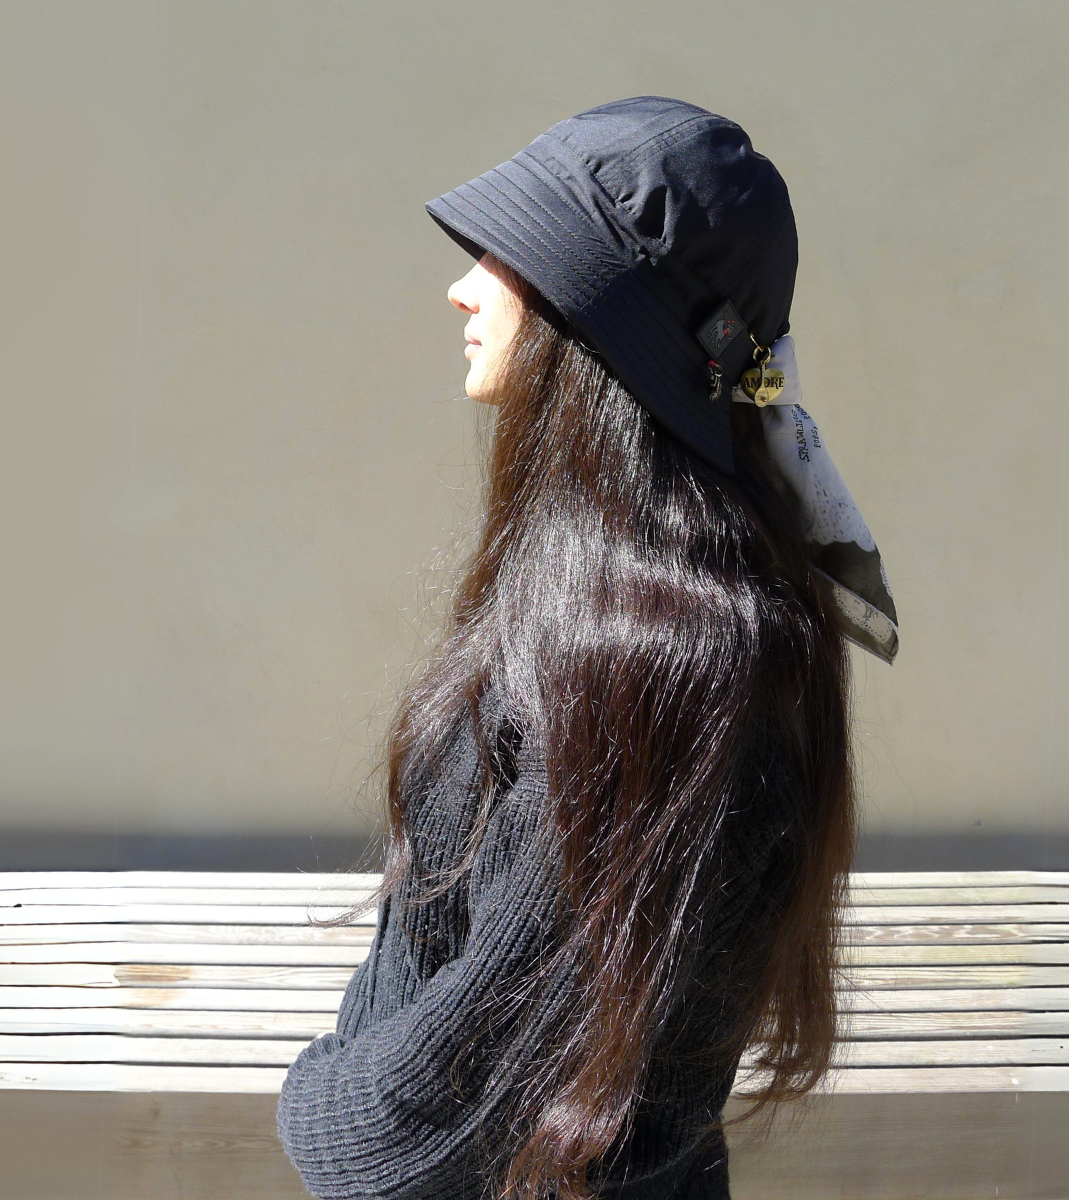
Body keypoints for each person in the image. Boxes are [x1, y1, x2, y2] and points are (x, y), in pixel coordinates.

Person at [277, 95, 897, 1200]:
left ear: (598, 325)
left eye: (507, 257)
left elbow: (393, 1140)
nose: (463, 286)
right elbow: (426, 955)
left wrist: (313, 1093)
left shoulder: (662, 671)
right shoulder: (601, 613)